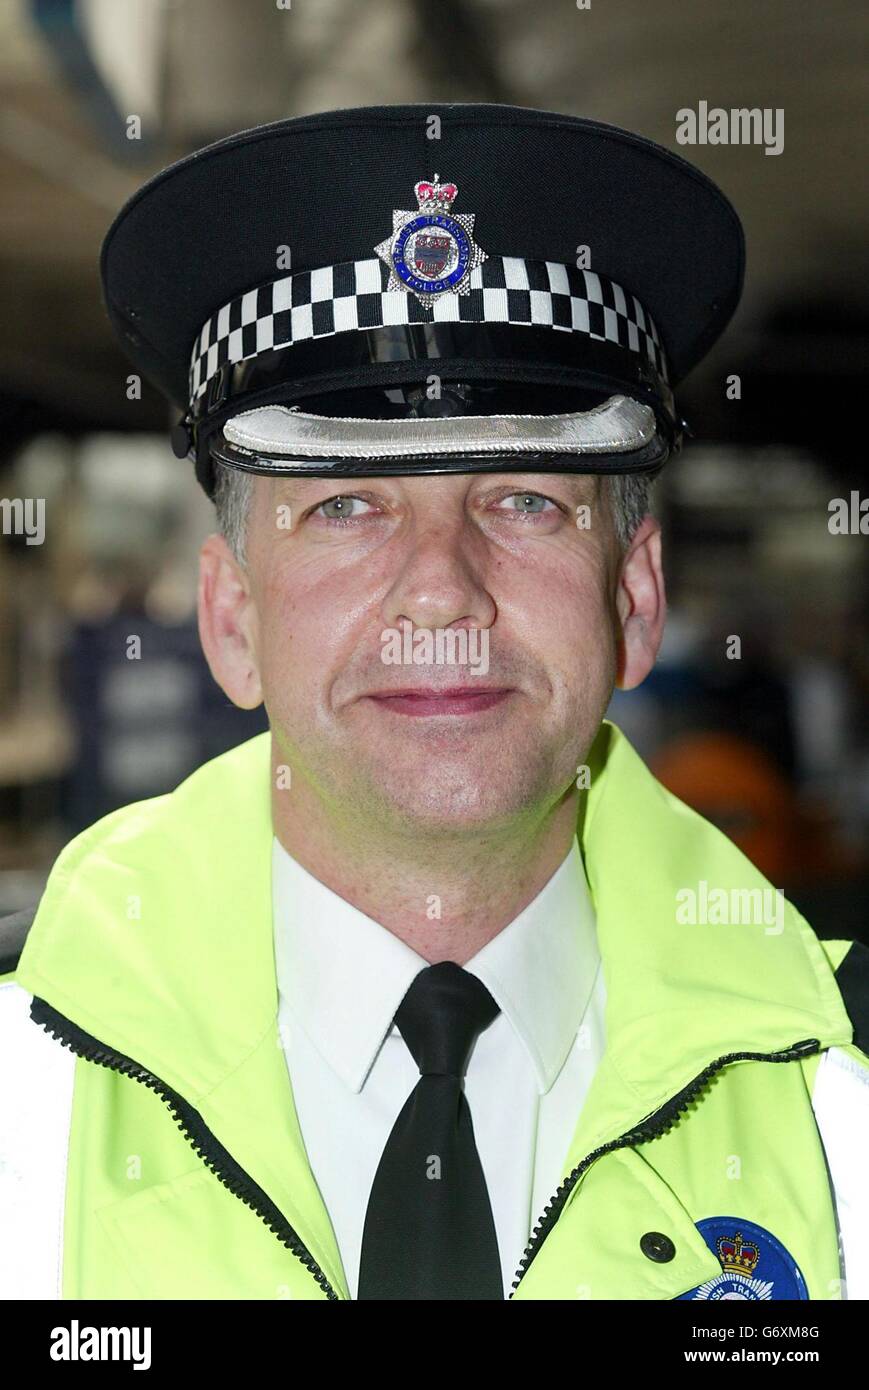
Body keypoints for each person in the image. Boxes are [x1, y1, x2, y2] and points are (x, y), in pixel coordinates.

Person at [2, 103, 868, 1302]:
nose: (438, 590)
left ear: (632, 596)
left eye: (522, 501)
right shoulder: (23, 1094)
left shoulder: (838, 1103)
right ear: (231, 620)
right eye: (345, 508)